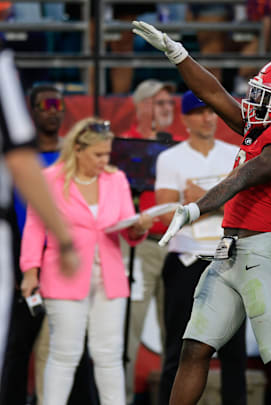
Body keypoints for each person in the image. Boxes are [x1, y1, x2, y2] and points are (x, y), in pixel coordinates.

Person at [133, 19, 271, 405]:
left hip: (264, 251)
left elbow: (246, 175)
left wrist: (195, 207)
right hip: (230, 249)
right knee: (195, 348)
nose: (256, 101)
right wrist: (178, 53)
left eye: (268, 95)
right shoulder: (269, 126)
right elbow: (215, 95)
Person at [20, 117, 152, 405]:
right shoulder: (50, 179)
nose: (104, 161)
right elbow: (34, 227)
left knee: (109, 355)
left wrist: (139, 228)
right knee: (65, 353)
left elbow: (128, 229)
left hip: (110, 277)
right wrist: (30, 272)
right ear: (77, 149)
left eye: (108, 154)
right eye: (98, 155)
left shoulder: (116, 179)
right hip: (64, 275)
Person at [1, 85, 98, 405]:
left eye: (59, 104)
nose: (54, 110)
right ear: (32, 111)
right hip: (23, 262)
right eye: (47, 105)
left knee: (75, 344)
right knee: (17, 348)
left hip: (66, 260)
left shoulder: (74, 158)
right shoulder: (17, 160)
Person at [155, 90, 247, 405]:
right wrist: (219, 198)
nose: (208, 118)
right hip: (185, 258)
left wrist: (198, 199)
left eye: (211, 111)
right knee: (178, 346)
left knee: (234, 351)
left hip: (228, 257)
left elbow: (244, 205)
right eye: (199, 112)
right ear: (185, 118)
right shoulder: (170, 158)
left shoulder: (234, 152)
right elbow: (166, 215)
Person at [121, 78, 178, 403]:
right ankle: (123, 396)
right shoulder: (123, 146)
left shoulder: (178, 146)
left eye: (170, 104)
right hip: (138, 248)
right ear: (142, 106)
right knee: (130, 326)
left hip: (175, 243)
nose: (168, 109)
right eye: (160, 103)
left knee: (176, 329)